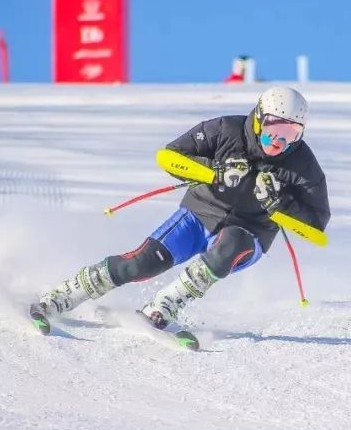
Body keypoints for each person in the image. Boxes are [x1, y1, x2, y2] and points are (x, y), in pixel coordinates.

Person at [29, 86, 331, 334]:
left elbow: (318, 229)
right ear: (257, 119)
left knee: (229, 246)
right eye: (272, 130)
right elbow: (169, 156)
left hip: (250, 234)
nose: (277, 142)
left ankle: (165, 305)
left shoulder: (302, 165)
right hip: (199, 215)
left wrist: (279, 206)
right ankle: (62, 296)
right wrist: (215, 172)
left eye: (290, 134)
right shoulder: (226, 129)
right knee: (142, 265)